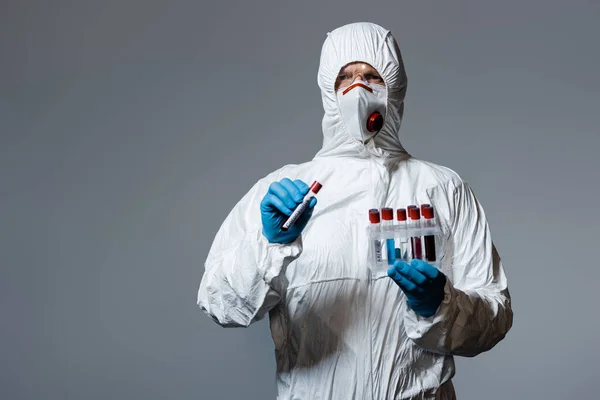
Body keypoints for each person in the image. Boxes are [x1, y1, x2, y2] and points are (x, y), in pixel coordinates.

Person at [197, 21, 513, 400]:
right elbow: (220, 303)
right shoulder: (284, 191)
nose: (357, 87)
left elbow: (495, 317)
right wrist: (268, 245)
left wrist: (440, 305)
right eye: (344, 76)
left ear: (394, 87)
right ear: (327, 89)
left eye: (370, 75)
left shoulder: (443, 189)